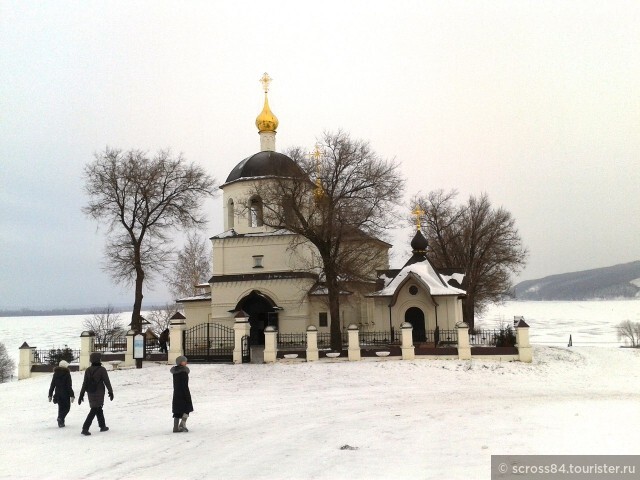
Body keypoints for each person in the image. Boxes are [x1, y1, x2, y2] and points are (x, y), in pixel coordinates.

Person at [78, 352, 114, 436]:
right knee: (95, 409)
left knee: (98, 408)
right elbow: (106, 381)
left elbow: (85, 383)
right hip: (99, 391)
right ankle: (85, 428)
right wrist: (110, 391)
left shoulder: (88, 370)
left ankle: (102, 426)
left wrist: (81, 394)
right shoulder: (102, 370)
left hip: (90, 392)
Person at [48, 359, 75, 428]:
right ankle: (60, 418)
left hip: (57, 394)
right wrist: (72, 395)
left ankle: (61, 423)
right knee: (67, 408)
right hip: (65, 394)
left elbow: (52, 385)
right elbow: (69, 386)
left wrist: (50, 395)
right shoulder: (67, 374)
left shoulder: (55, 374)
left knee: (60, 408)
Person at [171, 355, 193, 433]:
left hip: (176, 392)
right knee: (187, 408)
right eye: (185, 361)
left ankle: (175, 427)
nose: (186, 362)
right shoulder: (183, 372)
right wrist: (187, 395)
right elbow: (184, 385)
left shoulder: (175, 372)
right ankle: (182, 424)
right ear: (180, 362)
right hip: (183, 392)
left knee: (177, 410)